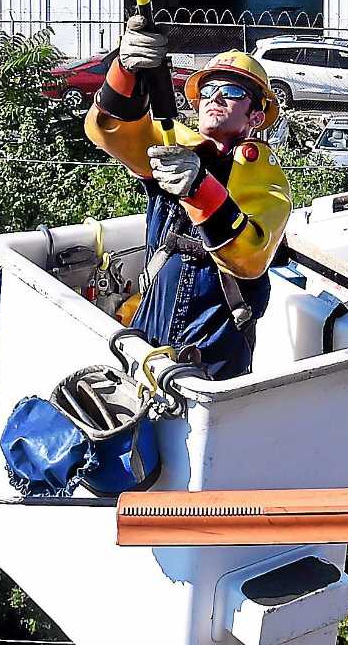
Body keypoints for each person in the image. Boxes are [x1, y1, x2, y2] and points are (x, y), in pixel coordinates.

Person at [85, 21, 292, 381]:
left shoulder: (265, 179)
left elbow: (248, 254)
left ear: (255, 117)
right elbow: (110, 130)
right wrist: (126, 70)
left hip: (213, 351)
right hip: (150, 335)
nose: (215, 97)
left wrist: (199, 187)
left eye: (230, 90)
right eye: (209, 89)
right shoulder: (176, 146)